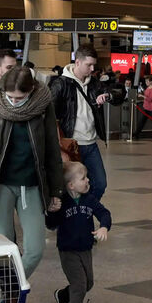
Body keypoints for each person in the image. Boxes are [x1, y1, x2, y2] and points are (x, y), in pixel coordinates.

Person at [0, 66, 64, 303]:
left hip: (32, 185)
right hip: (0, 185)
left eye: (19, 98)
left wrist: (56, 191)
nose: (13, 103)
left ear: (31, 91)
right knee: (4, 250)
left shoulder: (43, 106)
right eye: (9, 97)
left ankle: (2, 291)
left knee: (34, 249)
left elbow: (53, 149)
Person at [46, 162, 112, 303]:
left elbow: (104, 213)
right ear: (71, 185)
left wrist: (104, 226)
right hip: (68, 251)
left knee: (88, 282)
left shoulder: (89, 199)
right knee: (79, 283)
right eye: (83, 178)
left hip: (85, 249)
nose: (88, 181)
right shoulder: (63, 203)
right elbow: (51, 224)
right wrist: (52, 211)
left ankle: (64, 295)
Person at [51, 45, 110, 201]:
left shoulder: (94, 83)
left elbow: (117, 93)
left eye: (93, 65)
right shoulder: (61, 84)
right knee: (69, 186)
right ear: (77, 62)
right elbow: (49, 114)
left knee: (100, 183)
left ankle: (85, 209)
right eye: (88, 65)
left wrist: (107, 95)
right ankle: (72, 217)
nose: (92, 69)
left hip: (91, 143)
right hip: (71, 144)